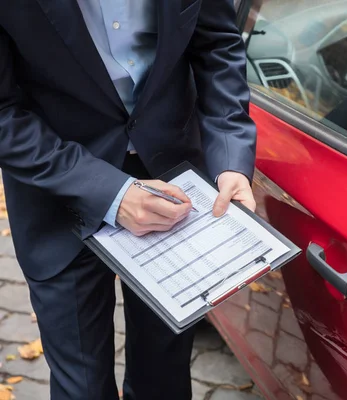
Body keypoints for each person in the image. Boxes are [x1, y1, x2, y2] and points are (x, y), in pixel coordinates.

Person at [0, 1, 256, 399]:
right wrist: (112, 194)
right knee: (81, 386)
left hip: (174, 180)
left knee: (165, 376)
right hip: (56, 188)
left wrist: (231, 159)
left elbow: (217, 46)